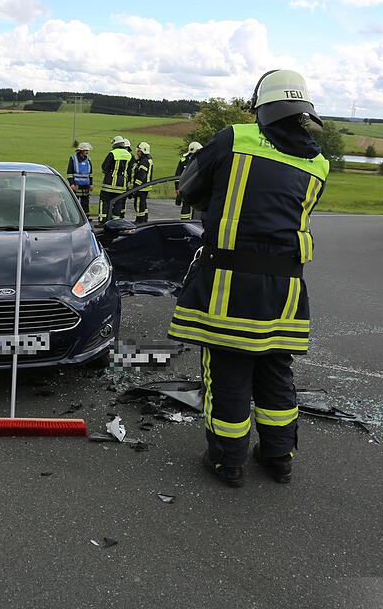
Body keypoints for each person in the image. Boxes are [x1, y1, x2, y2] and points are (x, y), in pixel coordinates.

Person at [168, 70, 329, 488]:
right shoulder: (319, 162)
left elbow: (188, 188)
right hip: (286, 289)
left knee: (228, 371)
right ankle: (279, 457)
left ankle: (228, 460)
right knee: (275, 368)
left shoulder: (234, 138)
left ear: (261, 106)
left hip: (229, 284)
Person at [98, 136, 132, 222]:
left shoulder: (112, 153)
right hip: (122, 185)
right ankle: (115, 221)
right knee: (118, 202)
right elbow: (130, 170)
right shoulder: (129, 155)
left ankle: (103, 220)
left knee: (104, 201)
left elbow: (104, 167)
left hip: (109, 184)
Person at [175, 141, 203, 219]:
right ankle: (188, 221)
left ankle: (185, 221)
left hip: (186, 186)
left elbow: (177, 175)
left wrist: (177, 187)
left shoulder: (184, 159)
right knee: (191, 205)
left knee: (188, 205)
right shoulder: (198, 160)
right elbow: (178, 174)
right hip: (192, 186)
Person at [67, 142, 94, 216]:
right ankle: (74, 216)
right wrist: (72, 183)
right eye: (86, 150)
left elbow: (90, 174)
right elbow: (69, 173)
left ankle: (86, 217)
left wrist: (91, 184)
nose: (87, 152)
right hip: (76, 186)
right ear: (81, 151)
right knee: (75, 203)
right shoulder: (73, 159)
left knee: (85, 203)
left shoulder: (88, 160)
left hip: (86, 186)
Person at [131, 142, 154, 223]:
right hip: (145, 186)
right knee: (143, 203)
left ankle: (139, 220)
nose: (137, 153)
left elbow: (141, 175)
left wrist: (135, 187)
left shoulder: (144, 161)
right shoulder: (148, 159)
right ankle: (144, 219)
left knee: (138, 204)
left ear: (143, 151)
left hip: (141, 187)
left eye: (138, 151)